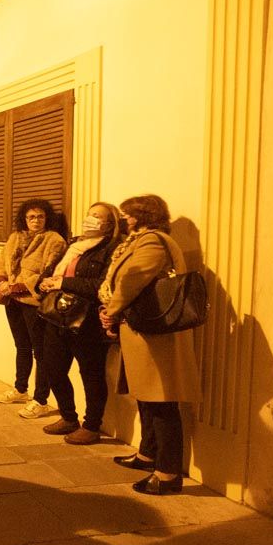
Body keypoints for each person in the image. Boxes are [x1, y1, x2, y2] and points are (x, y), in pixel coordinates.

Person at [99, 195, 201, 495]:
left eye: (128, 214)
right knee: (146, 397)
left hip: (156, 338)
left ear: (144, 215)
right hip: (143, 334)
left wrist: (112, 310)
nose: (124, 219)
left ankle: (168, 473)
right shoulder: (139, 241)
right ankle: (147, 454)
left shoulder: (152, 242)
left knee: (162, 402)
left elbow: (134, 280)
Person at [37, 202, 124, 444]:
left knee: (91, 374)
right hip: (58, 315)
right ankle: (68, 416)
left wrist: (62, 283)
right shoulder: (74, 245)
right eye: (90, 214)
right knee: (52, 367)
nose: (91, 219)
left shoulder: (112, 249)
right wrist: (45, 282)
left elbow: (102, 286)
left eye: (98, 216)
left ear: (110, 224)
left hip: (87, 321)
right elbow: (54, 271)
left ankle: (92, 425)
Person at [0, 199, 67, 418]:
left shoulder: (54, 240)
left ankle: (40, 398)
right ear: (24, 218)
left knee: (40, 351)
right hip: (12, 300)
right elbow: (0, 262)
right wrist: (2, 280)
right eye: (31, 217)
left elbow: (50, 271)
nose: (35, 221)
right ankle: (20, 388)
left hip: (33, 301)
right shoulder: (15, 237)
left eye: (40, 217)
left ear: (47, 218)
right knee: (21, 346)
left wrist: (21, 286)